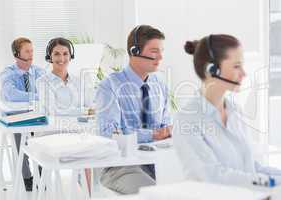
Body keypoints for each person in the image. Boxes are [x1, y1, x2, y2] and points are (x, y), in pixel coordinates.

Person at [173, 34, 281, 187]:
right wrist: (271, 182)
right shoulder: (187, 120)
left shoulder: (235, 111)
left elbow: (250, 168)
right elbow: (213, 177)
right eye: (236, 66)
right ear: (212, 70)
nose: (244, 73)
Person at [96, 25, 172, 194]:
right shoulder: (110, 86)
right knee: (160, 195)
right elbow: (109, 135)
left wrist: (170, 132)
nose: (160, 56)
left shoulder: (160, 85)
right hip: (121, 167)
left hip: (157, 162)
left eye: (161, 51)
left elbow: (166, 127)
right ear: (134, 50)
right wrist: (152, 135)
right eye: (154, 51)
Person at [0, 37, 45, 191]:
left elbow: (48, 89)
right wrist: (36, 96)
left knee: (43, 135)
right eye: (27, 51)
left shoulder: (38, 71)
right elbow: (11, 94)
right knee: (21, 139)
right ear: (17, 53)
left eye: (32, 50)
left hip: (35, 113)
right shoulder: (8, 72)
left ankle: (42, 172)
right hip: (15, 115)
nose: (31, 54)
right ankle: (27, 177)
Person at [36, 37, 81, 116]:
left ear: (70, 56)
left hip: (79, 126)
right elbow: (53, 110)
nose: (61, 58)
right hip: (54, 127)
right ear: (50, 57)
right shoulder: (42, 82)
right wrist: (84, 112)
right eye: (56, 54)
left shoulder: (78, 81)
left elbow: (89, 104)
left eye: (65, 54)